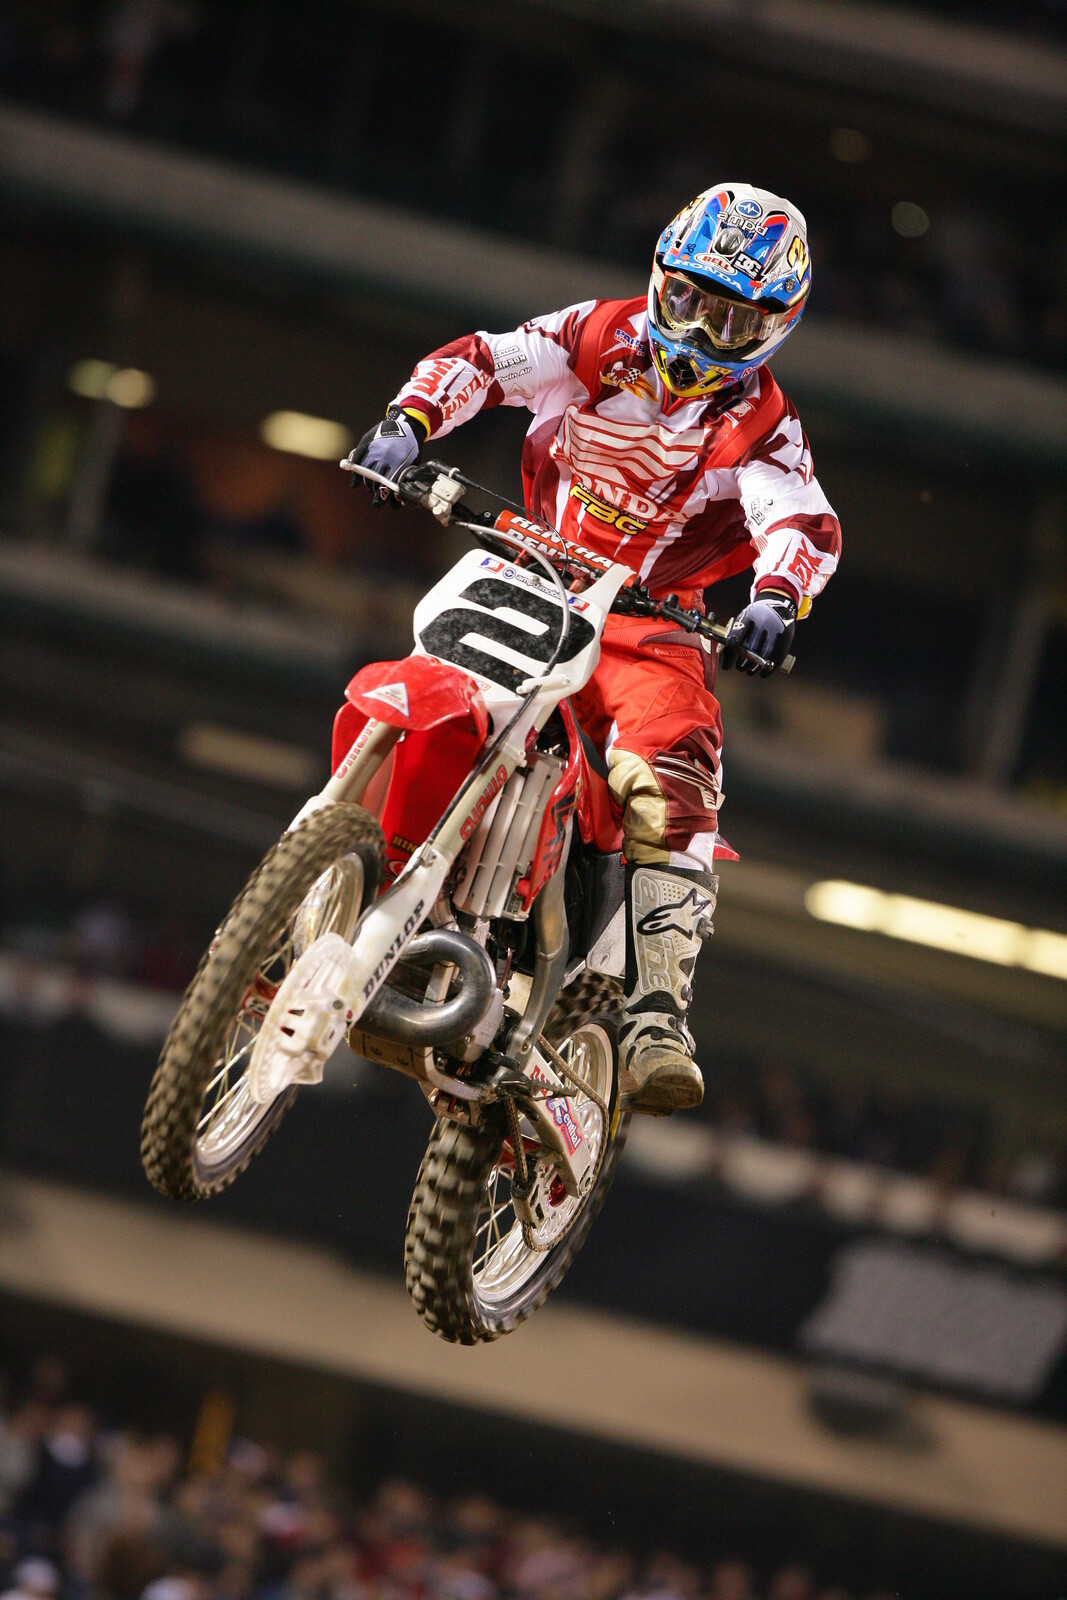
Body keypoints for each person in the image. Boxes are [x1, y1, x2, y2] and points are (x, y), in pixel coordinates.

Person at [349, 184, 841, 1115]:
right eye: (689, 298)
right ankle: (375, 864)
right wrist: (407, 422)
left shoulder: (765, 428)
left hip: (654, 622)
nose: (697, 331)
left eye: (731, 319)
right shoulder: (595, 336)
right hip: (530, 568)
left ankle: (657, 1014)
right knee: (430, 680)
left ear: (776, 327)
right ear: (660, 277)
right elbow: (488, 362)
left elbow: (800, 522)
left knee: (671, 766)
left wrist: (777, 598)